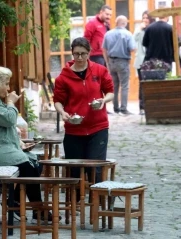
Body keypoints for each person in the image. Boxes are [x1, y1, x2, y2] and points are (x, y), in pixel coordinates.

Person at [0, 66, 57, 223]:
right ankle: (35, 208)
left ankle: (20, 203)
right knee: (28, 167)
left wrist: (17, 142)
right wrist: (10, 102)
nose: (8, 88)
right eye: (6, 84)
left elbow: (3, 125)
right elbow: (8, 119)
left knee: (35, 163)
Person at [53, 37, 114, 199]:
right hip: (74, 129)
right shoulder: (63, 77)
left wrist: (103, 101)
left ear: (89, 53)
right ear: (72, 53)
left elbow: (110, 91)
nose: (79, 58)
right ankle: (75, 205)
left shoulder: (100, 71)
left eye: (83, 54)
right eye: (76, 54)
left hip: (98, 126)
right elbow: (58, 101)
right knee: (74, 170)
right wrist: (63, 113)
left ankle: (100, 203)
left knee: (96, 168)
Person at [102, 15, 136, 115]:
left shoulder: (108, 34)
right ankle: (123, 108)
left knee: (114, 86)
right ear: (124, 23)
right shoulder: (128, 34)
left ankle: (115, 107)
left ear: (116, 23)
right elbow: (132, 48)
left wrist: (107, 62)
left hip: (111, 62)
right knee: (124, 86)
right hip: (123, 62)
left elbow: (104, 49)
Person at [133, 10, 155, 115]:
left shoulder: (153, 29)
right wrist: (139, 29)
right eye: (144, 18)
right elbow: (133, 40)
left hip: (151, 60)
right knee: (142, 84)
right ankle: (142, 107)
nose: (145, 20)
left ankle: (151, 105)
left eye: (147, 18)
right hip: (141, 60)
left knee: (151, 83)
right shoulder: (140, 30)